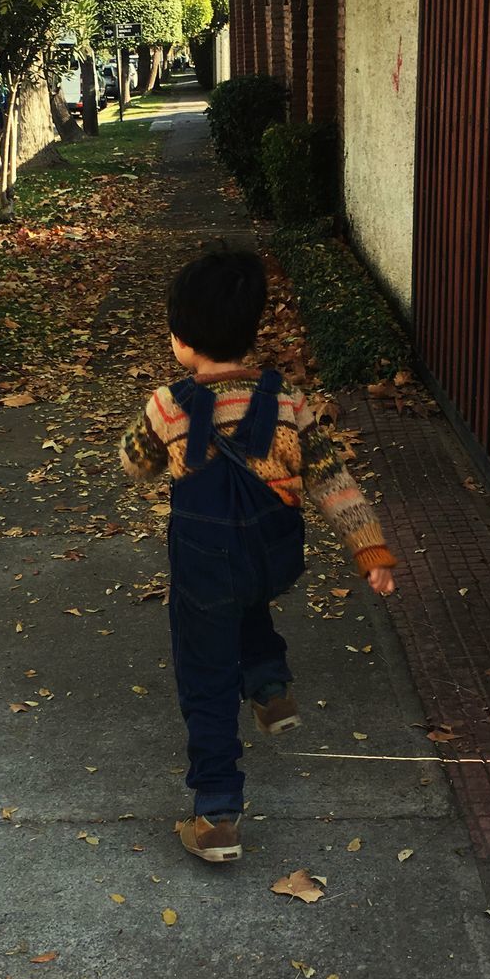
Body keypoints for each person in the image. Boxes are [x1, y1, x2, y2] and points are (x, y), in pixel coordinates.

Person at [119, 249, 398, 863]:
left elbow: (136, 465)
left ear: (185, 342)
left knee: (207, 679)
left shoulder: (167, 406)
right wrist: (369, 549)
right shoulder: (289, 401)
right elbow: (333, 480)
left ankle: (217, 814)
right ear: (250, 334)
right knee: (245, 601)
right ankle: (271, 686)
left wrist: (159, 441)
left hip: (202, 562)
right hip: (270, 557)